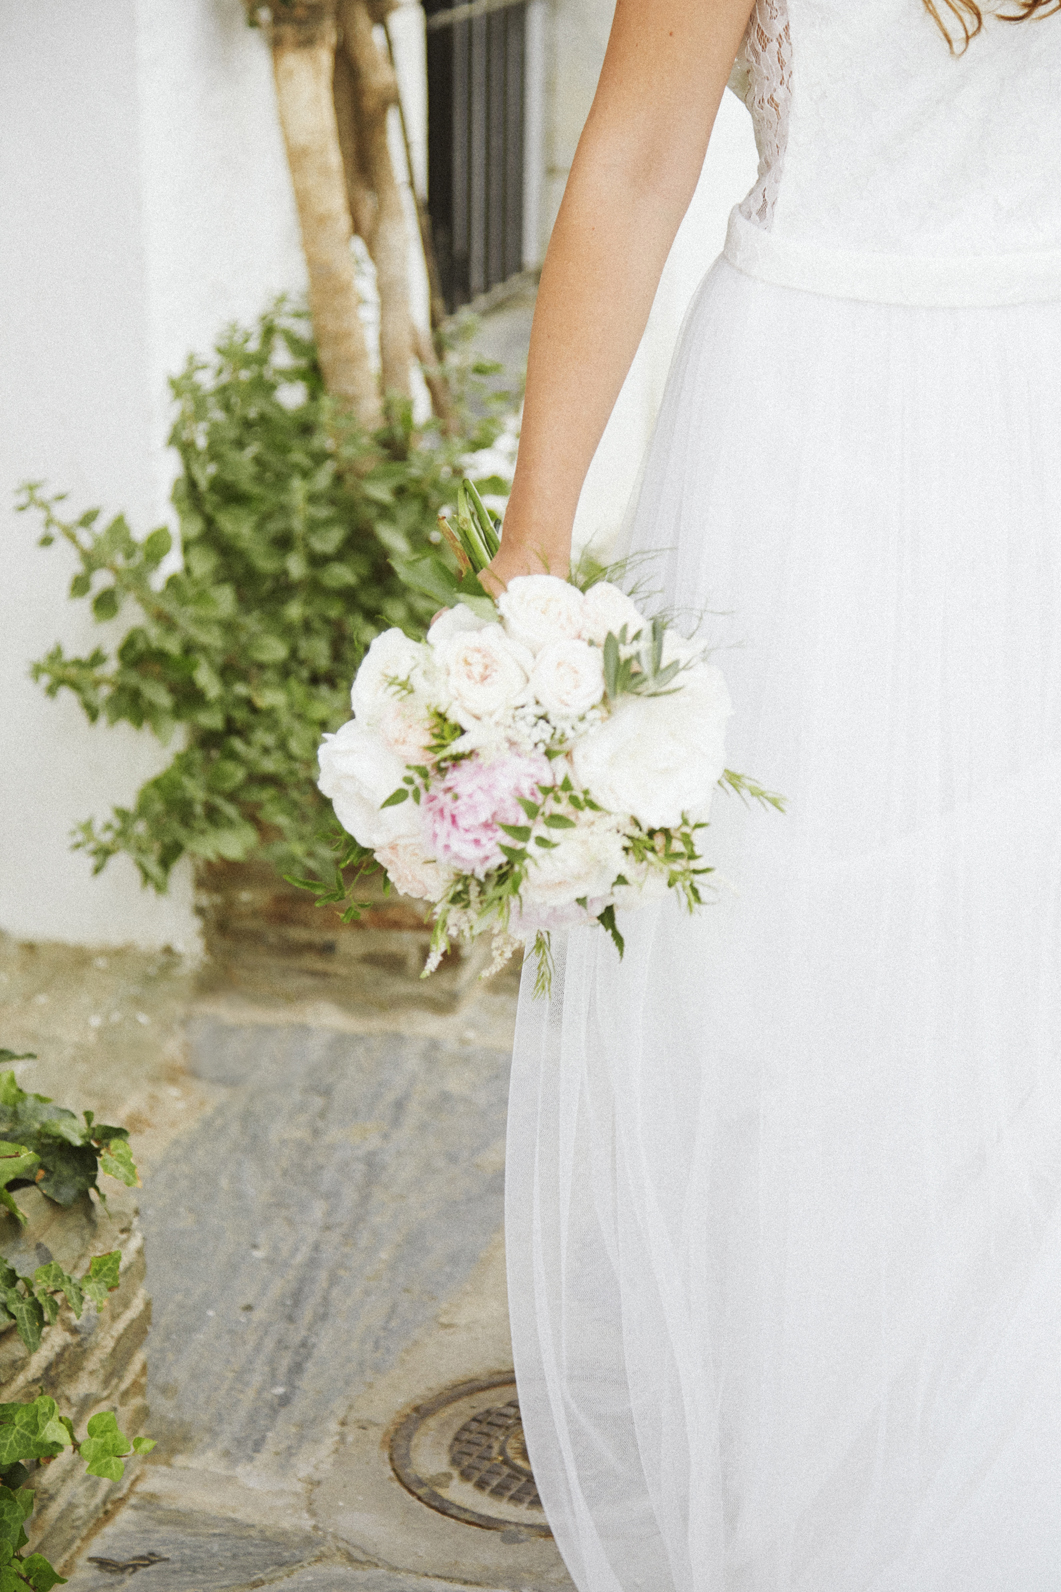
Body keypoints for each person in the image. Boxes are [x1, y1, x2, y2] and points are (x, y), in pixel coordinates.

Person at [486, 1, 1061, 1588]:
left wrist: (531, 539)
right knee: (824, 983)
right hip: (823, 454)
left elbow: (634, 159)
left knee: (961, 987)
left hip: (889, 417)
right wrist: (533, 552)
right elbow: (634, 163)